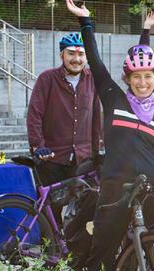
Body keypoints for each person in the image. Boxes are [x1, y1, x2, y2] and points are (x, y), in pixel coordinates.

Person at [66, 0, 154, 271]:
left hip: (152, 187)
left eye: (148, 77)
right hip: (115, 187)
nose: (143, 83)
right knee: (102, 250)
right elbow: (95, 63)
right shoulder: (115, 99)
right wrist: (86, 22)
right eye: (136, 77)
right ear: (128, 79)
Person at [27, 32, 101, 189]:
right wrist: (38, 145)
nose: (76, 59)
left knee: (84, 209)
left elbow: (96, 118)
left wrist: (96, 152)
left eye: (81, 54)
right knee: (51, 210)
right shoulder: (47, 79)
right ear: (62, 55)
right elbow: (35, 115)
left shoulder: (93, 80)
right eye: (71, 53)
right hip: (52, 158)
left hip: (83, 160)